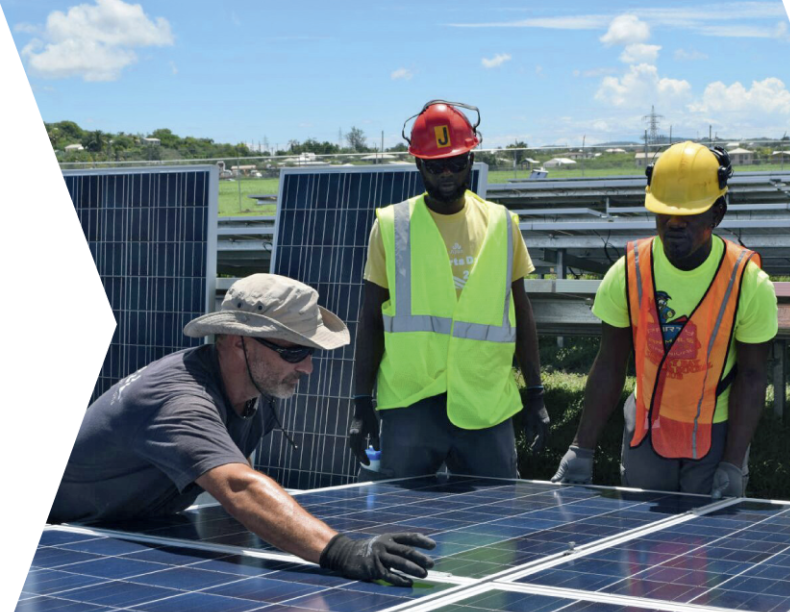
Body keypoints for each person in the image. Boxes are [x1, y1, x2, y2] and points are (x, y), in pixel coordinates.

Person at [51, 274, 435, 587]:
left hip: (129, 530)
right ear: (238, 341)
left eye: (310, 352)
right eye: (293, 351)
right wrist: (344, 552)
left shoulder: (256, 390)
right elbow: (239, 486)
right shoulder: (180, 401)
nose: (307, 368)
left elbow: (236, 464)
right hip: (63, 540)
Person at [551, 142, 778, 498]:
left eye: (688, 214)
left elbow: (752, 376)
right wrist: (582, 448)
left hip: (714, 437)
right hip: (646, 432)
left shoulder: (747, 282)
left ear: (717, 213)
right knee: (646, 545)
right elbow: (610, 363)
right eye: (664, 212)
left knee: (708, 546)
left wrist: (733, 463)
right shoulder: (628, 272)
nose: (674, 223)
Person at [349, 100, 550, 480]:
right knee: (402, 526)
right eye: (435, 165)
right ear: (418, 165)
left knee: (492, 527)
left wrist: (536, 392)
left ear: (471, 161)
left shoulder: (503, 225)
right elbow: (370, 319)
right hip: (412, 403)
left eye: (456, 163)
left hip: (485, 402)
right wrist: (361, 403)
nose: (447, 174)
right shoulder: (392, 227)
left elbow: (522, 312)